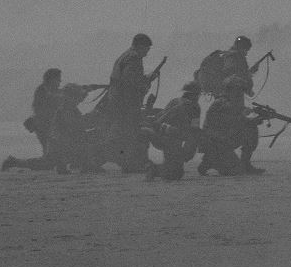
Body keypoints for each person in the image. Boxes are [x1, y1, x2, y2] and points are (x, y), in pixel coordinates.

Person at [95, 33, 158, 173]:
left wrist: (146, 79)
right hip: (126, 104)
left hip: (117, 102)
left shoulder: (125, 56)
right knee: (129, 133)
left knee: (121, 134)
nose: (147, 53)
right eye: (146, 49)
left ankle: (128, 163)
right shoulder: (134, 58)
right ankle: (130, 164)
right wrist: (146, 82)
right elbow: (130, 82)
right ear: (140, 46)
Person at [198, 75, 264, 176]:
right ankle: (210, 160)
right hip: (215, 142)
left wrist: (254, 119)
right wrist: (253, 120)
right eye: (238, 90)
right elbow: (235, 121)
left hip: (223, 140)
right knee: (235, 171)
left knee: (251, 129)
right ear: (230, 90)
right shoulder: (222, 103)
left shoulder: (232, 104)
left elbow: (238, 121)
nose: (240, 93)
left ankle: (243, 163)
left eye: (241, 90)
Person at [2, 68, 62, 172]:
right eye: (58, 79)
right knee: (48, 161)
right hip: (43, 126)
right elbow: (44, 106)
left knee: (49, 158)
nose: (60, 81)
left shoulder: (50, 90)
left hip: (47, 126)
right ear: (51, 79)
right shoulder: (43, 90)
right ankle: (14, 162)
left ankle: (14, 162)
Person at [142, 81, 202, 181]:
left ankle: (154, 169)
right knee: (175, 173)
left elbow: (159, 118)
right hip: (173, 139)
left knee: (176, 172)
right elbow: (193, 130)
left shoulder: (174, 101)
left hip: (162, 136)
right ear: (195, 94)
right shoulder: (194, 107)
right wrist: (188, 152)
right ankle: (152, 168)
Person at [46, 84, 100, 174]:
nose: (79, 100)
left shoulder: (66, 108)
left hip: (58, 145)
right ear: (71, 97)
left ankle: (77, 164)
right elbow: (78, 125)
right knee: (91, 136)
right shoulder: (67, 110)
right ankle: (86, 165)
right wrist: (92, 116)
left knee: (82, 136)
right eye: (76, 96)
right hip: (64, 145)